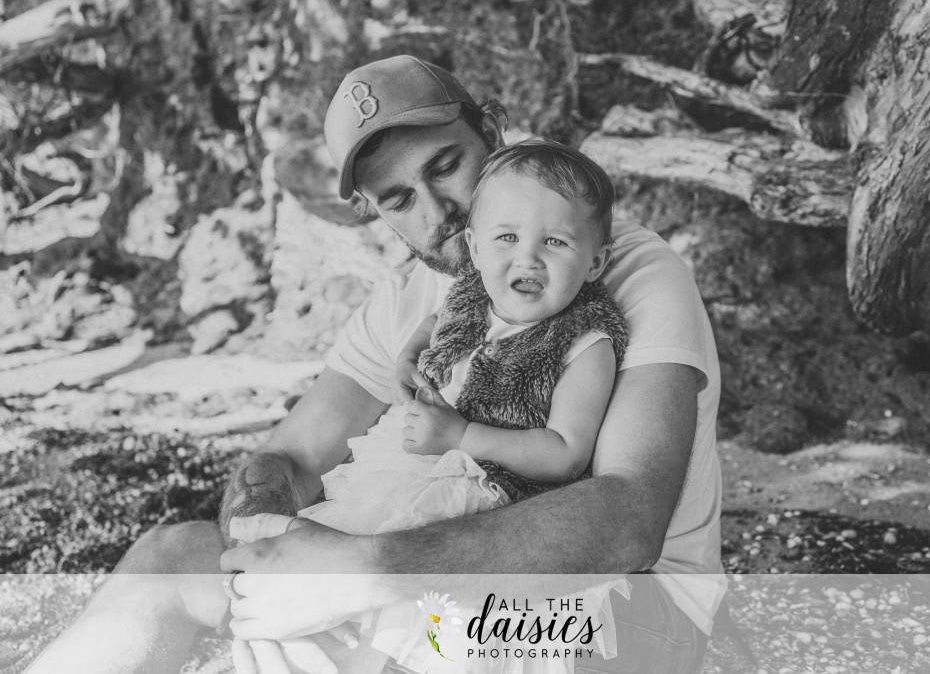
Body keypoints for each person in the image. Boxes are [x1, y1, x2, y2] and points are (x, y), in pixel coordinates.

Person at [26, 55, 723, 674]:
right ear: (371, 211)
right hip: (408, 569)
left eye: (445, 166)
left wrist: (364, 570)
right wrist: (263, 566)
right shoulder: (405, 299)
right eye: (399, 199)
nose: (439, 211)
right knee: (171, 560)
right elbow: (286, 460)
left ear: (492, 131)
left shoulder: (626, 270)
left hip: (621, 611)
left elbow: (629, 519)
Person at [299, 139, 630, 671]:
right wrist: (408, 357)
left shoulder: (585, 342)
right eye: (507, 237)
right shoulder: (471, 294)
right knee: (366, 601)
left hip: (495, 504)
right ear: (475, 249)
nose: (528, 257)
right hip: (408, 475)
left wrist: (461, 437)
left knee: (448, 637)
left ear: (595, 262)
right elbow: (435, 324)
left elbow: (566, 452)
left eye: (555, 242)